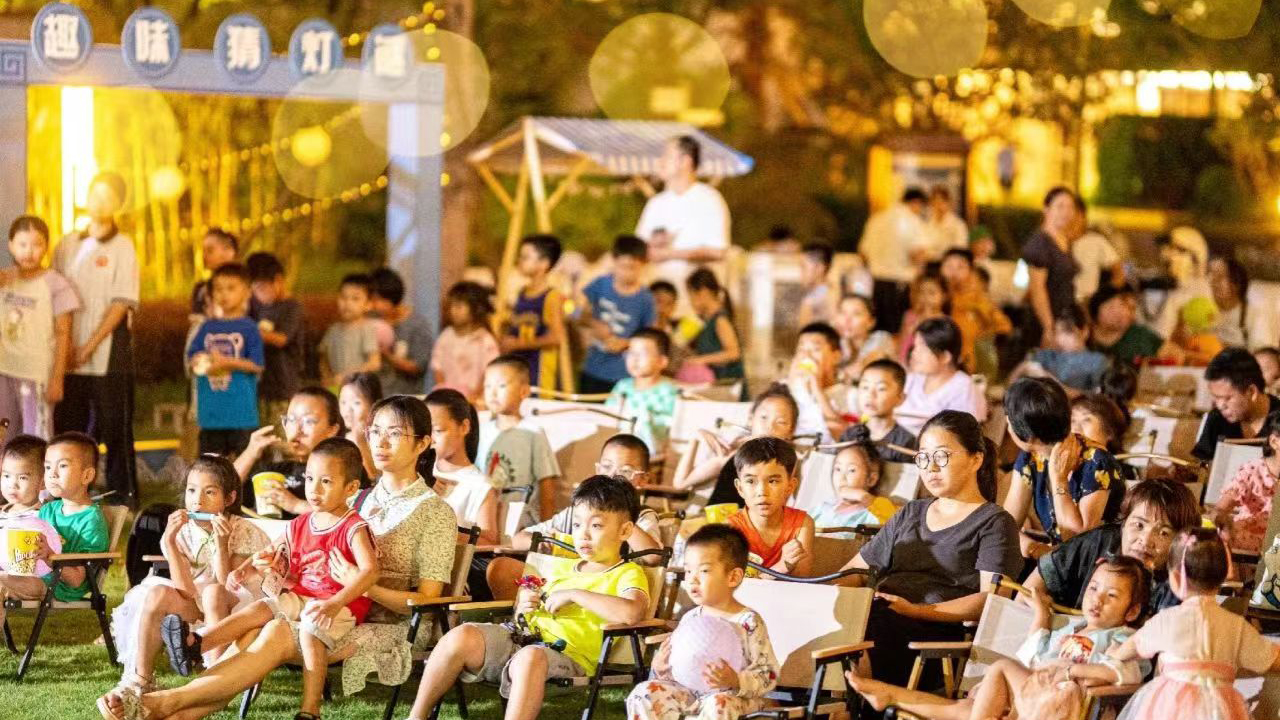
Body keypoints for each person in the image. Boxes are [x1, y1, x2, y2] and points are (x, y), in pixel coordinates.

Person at [114, 396, 456, 719]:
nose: (380, 442)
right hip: (319, 607)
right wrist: (279, 567)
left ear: (423, 443)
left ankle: (161, 702)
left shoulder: (434, 512)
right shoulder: (356, 498)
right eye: (375, 431)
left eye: (394, 433)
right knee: (259, 627)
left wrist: (364, 587)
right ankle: (171, 710)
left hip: (389, 626)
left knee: (274, 629)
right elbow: (312, 557)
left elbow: (426, 603)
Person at [159, 439, 379, 720]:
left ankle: (310, 709)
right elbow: (270, 552)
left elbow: (370, 571)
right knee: (260, 609)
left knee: (310, 629)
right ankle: (196, 644)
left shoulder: (353, 527)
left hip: (339, 606)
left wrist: (335, 603)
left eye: (325, 481)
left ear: (350, 488)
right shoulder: (302, 523)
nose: (314, 489)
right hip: (301, 597)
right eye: (310, 479)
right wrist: (246, 569)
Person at [403, 475, 651, 720]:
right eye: (576, 525)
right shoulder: (563, 566)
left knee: (530, 657)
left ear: (625, 530)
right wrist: (523, 606)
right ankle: (416, 717)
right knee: (461, 635)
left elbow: (632, 612)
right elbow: (524, 613)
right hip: (520, 638)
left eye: (596, 526)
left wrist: (575, 594)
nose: (583, 535)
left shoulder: (627, 572)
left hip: (568, 656)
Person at [836, 410, 1022, 690]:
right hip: (883, 615)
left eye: (941, 456)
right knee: (843, 620)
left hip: (934, 640)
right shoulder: (911, 512)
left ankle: (851, 702)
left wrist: (917, 610)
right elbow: (855, 572)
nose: (930, 467)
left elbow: (992, 600)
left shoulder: (994, 522)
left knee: (865, 629)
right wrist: (820, 594)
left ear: (976, 459)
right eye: (923, 457)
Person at [847, 556, 1151, 720]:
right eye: (1094, 588)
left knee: (1001, 668)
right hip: (1036, 696)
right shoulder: (1071, 631)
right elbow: (1032, 656)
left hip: (1068, 705)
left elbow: (1126, 673)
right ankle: (890, 696)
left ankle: (892, 696)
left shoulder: (1124, 637)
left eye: (1112, 595)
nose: (1098, 599)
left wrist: (1073, 671)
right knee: (970, 708)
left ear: (1132, 610)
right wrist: (1041, 617)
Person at [101, 456, 269, 714]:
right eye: (191, 490)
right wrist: (169, 543)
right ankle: (141, 680)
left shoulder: (243, 531)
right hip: (198, 601)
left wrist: (221, 545)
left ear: (229, 498)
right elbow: (185, 591)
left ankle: (213, 683)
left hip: (238, 606)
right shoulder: (185, 532)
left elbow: (228, 585)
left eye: (209, 492)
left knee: (213, 592)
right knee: (157, 592)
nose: (197, 500)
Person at [1090, 528, 1280, 720]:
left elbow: (1133, 646)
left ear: (1175, 577)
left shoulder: (1167, 619)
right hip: (1219, 710)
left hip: (1170, 706)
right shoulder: (1236, 626)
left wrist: (1114, 653)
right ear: (1224, 576)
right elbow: (1271, 658)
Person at [626, 524, 780, 720]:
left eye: (704, 571)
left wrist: (736, 680)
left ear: (733, 577)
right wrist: (662, 668)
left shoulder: (748, 622)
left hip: (737, 698)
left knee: (718, 703)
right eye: (689, 571)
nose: (692, 580)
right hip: (693, 694)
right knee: (645, 692)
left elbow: (768, 674)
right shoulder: (691, 618)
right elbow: (684, 667)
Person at [487, 433, 664, 600]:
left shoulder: (643, 517)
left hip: (608, 590)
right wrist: (542, 541)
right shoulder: (577, 512)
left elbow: (654, 557)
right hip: (568, 581)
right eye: (607, 467)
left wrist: (621, 512)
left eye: (625, 471)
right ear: (597, 470)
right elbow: (517, 540)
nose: (613, 476)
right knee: (502, 568)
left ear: (643, 479)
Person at [52, 171, 139, 507]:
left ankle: (122, 496)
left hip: (108, 352)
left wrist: (88, 346)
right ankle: (69, 495)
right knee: (69, 427)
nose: (99, 202)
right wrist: (65, 347)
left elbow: (121, 302)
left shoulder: (123, 246)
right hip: (68, 352)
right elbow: (55, 295)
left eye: (108, 197)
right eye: (95, 194)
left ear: (118, 204)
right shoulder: (67, 244)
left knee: (115, 426)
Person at [1021, 478, 1201, 614]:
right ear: (1123, 524)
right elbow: (1031, 589)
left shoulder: (1180, 583)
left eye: (1163, 533)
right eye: (1138, 525)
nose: (1146, 541)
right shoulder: (1098, 542)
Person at [1002, 377, 1124, 551]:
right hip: (1056, 556)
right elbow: (1007, 527)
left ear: (1029, 436)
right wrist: (1034, 549)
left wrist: (1059, 480)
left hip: (1098, 561)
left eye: (1010, 423)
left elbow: (1077, 541)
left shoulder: (1097, 462)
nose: (1008, 429)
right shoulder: (1031, 457)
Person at [0, 215, 79, 437]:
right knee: (4, 435)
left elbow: (63, 333)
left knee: (35, 437)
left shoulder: (56, 284)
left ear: (46, 247)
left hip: (36, 376)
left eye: (36, 244)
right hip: (4, 372)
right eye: (22, 244)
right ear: (11, 246)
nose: (29, 251)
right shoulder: (5, 280)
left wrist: (57, 379)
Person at [16, 433, 109, 616]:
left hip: (56, 587)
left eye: (63, 466)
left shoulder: (91, 521)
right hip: (31, 576)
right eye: (48, 467)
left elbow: (76, 580)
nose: (52, 474)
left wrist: (50, 557)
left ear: (87, 475)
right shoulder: (48, 510)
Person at [678, 383, 799, 510]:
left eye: (781, 422)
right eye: (764, 417)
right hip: (715, 519)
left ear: (791, 431)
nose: (770, 427)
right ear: (751, 420)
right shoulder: (733, 455)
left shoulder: (787, 460)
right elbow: (681, 483)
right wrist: (697, 437)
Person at [186, 263, 264, 458]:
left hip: (242, 415)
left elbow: (256, 365)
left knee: (246, 466)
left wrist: (226, 363)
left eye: (231, 288)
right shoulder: (206, 327)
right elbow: (192, 358)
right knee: (210, 467)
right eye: (218, 289)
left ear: (247, 292)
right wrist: (198, 361)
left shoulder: (249, 328)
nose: (224, 294)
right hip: (211, 415)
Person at [635, 135, 732, 290]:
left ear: (685, 161)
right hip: (658, 293)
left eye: (666, 156)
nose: (660, 162)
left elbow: (718, 251)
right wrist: (653, 244)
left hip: (695, 295)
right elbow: (638, 246)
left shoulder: (709, 200)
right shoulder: (656, 203)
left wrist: (669, 254)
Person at [476, 355, 562, 524]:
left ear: (524, 391)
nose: (493, 392)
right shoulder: (481, 431)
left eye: (501, 385)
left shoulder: (533, 433)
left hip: (520, 523)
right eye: (487, 386)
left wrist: (546, 530)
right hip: (485, 522)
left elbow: (547, 486)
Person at [235, 386, 343, 519]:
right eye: (291, 420)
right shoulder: (276, 470)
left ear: (332, 430)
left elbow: (352, 514)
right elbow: (223, 492)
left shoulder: (342, 469)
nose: (297, 429)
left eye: (308, 421)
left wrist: (296, 505)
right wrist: (250, 453)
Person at [578, 235, 657, 394]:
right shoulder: (600, 284)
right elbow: (580, 315)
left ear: (643, 265)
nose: (627, 273)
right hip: (593, 366)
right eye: (623, 266)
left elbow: (651, 337)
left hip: (625, 373)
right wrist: (595, 324)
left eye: (633, 267)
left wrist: (626, 343)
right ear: (614, 261)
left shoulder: (646, 300)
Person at [725, 437, 815, 576]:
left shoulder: (802, 523)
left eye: (773, 481)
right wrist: (782, 566)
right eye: (751, 481)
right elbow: (733, 582)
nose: (762, 492)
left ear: (790, 486)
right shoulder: (730, 528)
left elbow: (801, 579)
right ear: (740, 488)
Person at [426, 388, 498, 546]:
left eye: (437, 430)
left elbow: (490, 541)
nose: (429, 438)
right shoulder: (416, 473)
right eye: (424, 430)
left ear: (464, 427)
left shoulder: (480, 486)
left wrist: (446, 533)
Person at [499, 234, 566, 392]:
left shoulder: (551, 297)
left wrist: (518, 344)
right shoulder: (522, 292)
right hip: (520, 370)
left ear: (544, 263)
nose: (520, 261)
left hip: (541, 374)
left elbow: (556, 337)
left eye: (525, 257)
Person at [896, 317, 984, 436]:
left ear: (945, 357)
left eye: (923, 348)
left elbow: (964, 437)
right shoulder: (912, 379)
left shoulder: (963, 389)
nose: (914, 353)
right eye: (915, 346)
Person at [1192, 347, 1280, 460]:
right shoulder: (1217, 419)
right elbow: (1201, 463)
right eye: (1216, 398)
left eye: (1227, 398)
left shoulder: (1277, 418)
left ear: (1252, 392)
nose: (1220, 405)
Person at [246, 252, 304, 423]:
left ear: (278, 281)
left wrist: (252, 332)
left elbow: (282, 339)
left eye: (261, 288)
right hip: (261, 385)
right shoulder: (256, 306)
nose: (257, 294)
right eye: (253, 289)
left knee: (282, 431)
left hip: (284, 386)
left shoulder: (292, 307)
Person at [861, 187, 928, 333]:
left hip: (877, 283)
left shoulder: (876, 219)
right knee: (898, 331)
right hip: (900, 284)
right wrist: (919, 279)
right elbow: (918, 253)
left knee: (878, 331)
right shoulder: (912, 220)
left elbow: (863, 253)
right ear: (916, 203)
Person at [1212, 409, 1280, 554]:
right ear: (1274, 442)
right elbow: (1220, 509)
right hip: (1247, 543)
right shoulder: (1253, 472)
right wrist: (1222, 521)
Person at [807, 426, 897, 533]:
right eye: (838, 469)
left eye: (851, 470)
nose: (842, 477)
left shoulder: (870, 515)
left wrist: (863, 496)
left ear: (871, 479)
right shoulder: (822, 509)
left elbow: (898, 523)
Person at [606, 328, 679, 460]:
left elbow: (670, 427)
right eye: (631, 352)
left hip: (652, 457)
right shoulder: (622, 386)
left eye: (643, 354)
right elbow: (608, 415)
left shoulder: (669, 391)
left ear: (662, 361)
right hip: (617, 453)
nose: (634, 359)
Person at [1023, 186, 1082, 348]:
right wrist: (1048, 327)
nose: (1066, 212)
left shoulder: (1064, 240)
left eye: (1070, 207)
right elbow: (1037, 289)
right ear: (1046, 209)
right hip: (1046, 319)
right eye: (1060, 206)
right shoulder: (1040, 244)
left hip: (1065, 316)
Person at [941, 248, 1011, 376]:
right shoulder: (938, 295)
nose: (953, 272)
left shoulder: (980, 301)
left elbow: (1003, 327)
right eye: (949, 266)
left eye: (960, 267)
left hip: (968, 362)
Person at [431, 281, 501, 404]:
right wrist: (444, 391)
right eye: (451, 306)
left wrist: (475, 395)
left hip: (476, 402)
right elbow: (438, 368)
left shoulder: (485, 340)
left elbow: (490, 371)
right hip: (450, 401)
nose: (453, 311)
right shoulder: (446, 336)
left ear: (476, 309)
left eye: (459, 307)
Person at [1013, 304, 1109, 392]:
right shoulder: (1046, 355)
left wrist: (1047, 378)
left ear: (1085, 331)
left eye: (1067, 331)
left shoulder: (1097, 361)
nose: (1060, 338)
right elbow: (1012, 386)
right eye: (1057, 332)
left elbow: (1096, 398)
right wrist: (1024, 366)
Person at [370, 267, 433, 396]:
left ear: (391, 297)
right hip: (374, 396)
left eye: (377, 299)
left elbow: (417, 367)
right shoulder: (371, 320)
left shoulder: (417, 324)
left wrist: (386, 354)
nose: (373, 305)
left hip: (404, 398)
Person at [840, 358, 917, 463]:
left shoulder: (906, 442)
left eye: (881, 388)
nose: (870, 395)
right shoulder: (850, 435)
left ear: (900, 398)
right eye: (865, 387)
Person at [786, 322, 852, 444]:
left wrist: (817, 388)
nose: (807, 356)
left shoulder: (850, 395)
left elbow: (846, 437)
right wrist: (790, 382)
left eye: (815, 349)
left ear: (836, 356)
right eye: (801, 350)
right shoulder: (789, 387)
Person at [684, 268, 744, 394]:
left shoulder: (720, 320)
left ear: (704, 292)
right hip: (716, 385)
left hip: (728, 387)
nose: (691, 301)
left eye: (691, 295)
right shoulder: (706, 320)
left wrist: (700, 360)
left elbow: (734, 353)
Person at [1088, 283, 1178, 367]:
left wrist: (1156, 363)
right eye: (1110, 307)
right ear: (1095, 313)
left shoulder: (1140, 334)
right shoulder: (1086, 338)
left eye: (1122, 306)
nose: (1119, 312)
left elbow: (1175, 354)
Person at [319, 273, 381, 388]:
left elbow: (374, 363)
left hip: (359, 388)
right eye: (343, 297)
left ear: (368, 304)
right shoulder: (333, 330)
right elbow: (323, 356)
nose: (347, 303)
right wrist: (326, 376)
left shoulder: (366, 329)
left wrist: (348, 375)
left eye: (355, 299)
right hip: (336, 387)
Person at [1070, 198, 1125, 304]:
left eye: (1077, 215)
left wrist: (1101, 298)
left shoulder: (1096, 241)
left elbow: (1119, 274)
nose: (1072, 220)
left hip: (1086, 303)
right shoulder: (1053, 242)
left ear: (1084, 217)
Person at [833, 294, 896, 384]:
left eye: (856, 314)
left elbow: (861, 367)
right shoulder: (839, 343)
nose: (847, 320)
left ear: (871, 322)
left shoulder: (881, 338)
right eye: (843, 313)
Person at [896, 272, 949, 363]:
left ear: (944, 296)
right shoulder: (910, 316)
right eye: (922, 292)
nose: (926, 297)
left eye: (931, 293)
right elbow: (901, 345)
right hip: (905, 363)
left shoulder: (945, 323)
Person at [339, 372, 382, 479]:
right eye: (343, 402)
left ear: (375, 405)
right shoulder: (340, 443)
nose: (348, 410)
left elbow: (375, 480)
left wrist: (360, 442)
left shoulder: (384, 439)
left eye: (356, 403)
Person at [190, 228, 239, 319]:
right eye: (204, 251)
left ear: (229, 252)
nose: (204, 256)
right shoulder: (201, 290)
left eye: (210, 250)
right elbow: (196, 322)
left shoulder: (248, 286)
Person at [921, 186, 969, 262]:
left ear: (949, 203)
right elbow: (923, 246)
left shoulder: (958, 224)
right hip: (929, 262)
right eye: (935, 202)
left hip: (950, 264)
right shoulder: (927, 224)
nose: (938, 206)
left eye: (942, 201)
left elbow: (960, 248)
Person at [797, 242, 835, 327]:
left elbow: (803, 332)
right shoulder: (833, 292)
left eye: (803, 267)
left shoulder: (811, 301)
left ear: (819, 268)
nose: (800, 273)